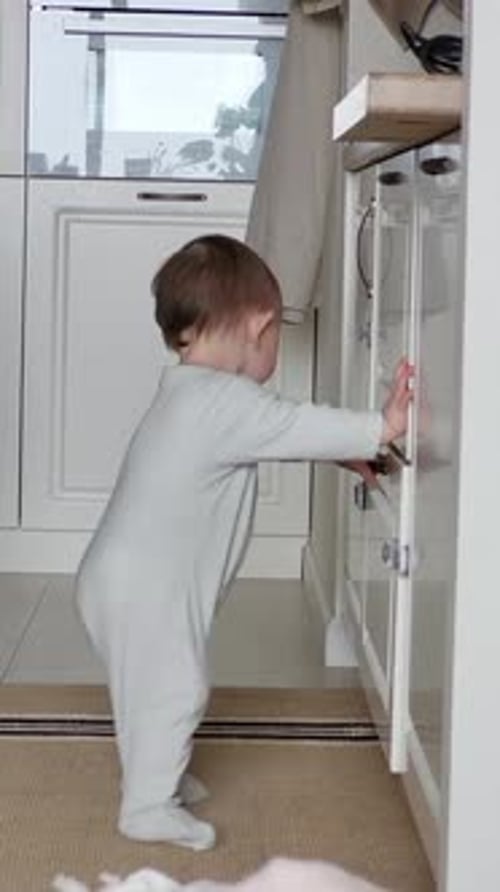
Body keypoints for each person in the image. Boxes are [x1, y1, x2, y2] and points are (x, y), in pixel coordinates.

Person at [75, 234, 413, 852]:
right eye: (276, 340)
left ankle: (157, 774)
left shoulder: (191, 394)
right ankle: (146, 806)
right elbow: (289, 421)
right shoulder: (225, 401)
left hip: (117, 577)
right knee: (175, 685)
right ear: (260, 327)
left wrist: (345, 452)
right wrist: (378, 427)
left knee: (146, 683)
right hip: (146, 586)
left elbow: (274, 432)